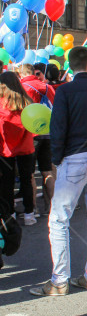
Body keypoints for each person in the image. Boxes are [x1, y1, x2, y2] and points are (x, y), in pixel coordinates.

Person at [30, 46, 87, 296]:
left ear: (70, 67)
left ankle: (60, 280)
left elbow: (58, 127)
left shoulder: (65, 91)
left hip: (74, 156)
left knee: (59, 219)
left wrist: (57, 160)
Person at [19, 63, 56, 216]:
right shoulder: (46, 86)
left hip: (31, 133)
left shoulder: (21, 87)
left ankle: (33, 208)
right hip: (47, 131)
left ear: (22, 74)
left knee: (29, 173)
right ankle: (52, 207)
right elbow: (55, 105)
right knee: (47, 171)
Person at [0, 72, 36, 226]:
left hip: (5, 150)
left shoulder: (1, 104)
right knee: (26, 180)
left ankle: (11, 214)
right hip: (26, 148)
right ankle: (29, 214)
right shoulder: (27, 102)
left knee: (6, 183)